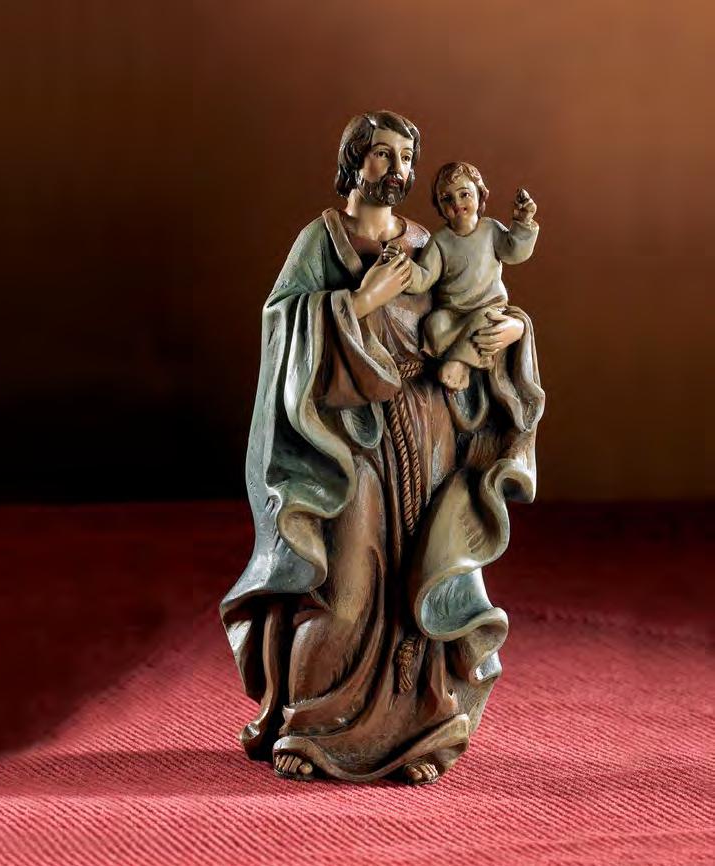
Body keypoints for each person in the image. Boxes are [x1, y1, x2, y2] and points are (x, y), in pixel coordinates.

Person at [220, 111, 544, 784]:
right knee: (345, 593)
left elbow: (472, 309)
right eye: (382, 155)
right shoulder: (322, 242)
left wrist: (509, 334)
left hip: (427, 430)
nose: (397, 170)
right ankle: (310, 722)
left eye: (405, 159)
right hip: (350, 448)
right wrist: (360, 302)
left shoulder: (428, 243)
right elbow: (283, 332)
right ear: (353, 162)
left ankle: (422, 726)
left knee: (421, 585)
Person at [402, 161, 539, 392]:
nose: (456, 203)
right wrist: (405, 268)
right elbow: (424, 276)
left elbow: (514, 252)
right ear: (439, 205)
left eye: (464, 194)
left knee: (485, 325)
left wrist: (522, 223)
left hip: (488, 307)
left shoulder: (490, 230)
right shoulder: (440, 240)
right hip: (453, 312)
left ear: (480, 194)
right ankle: (454, 356)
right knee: (435, 324)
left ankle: (460, 365)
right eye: (447, 198)